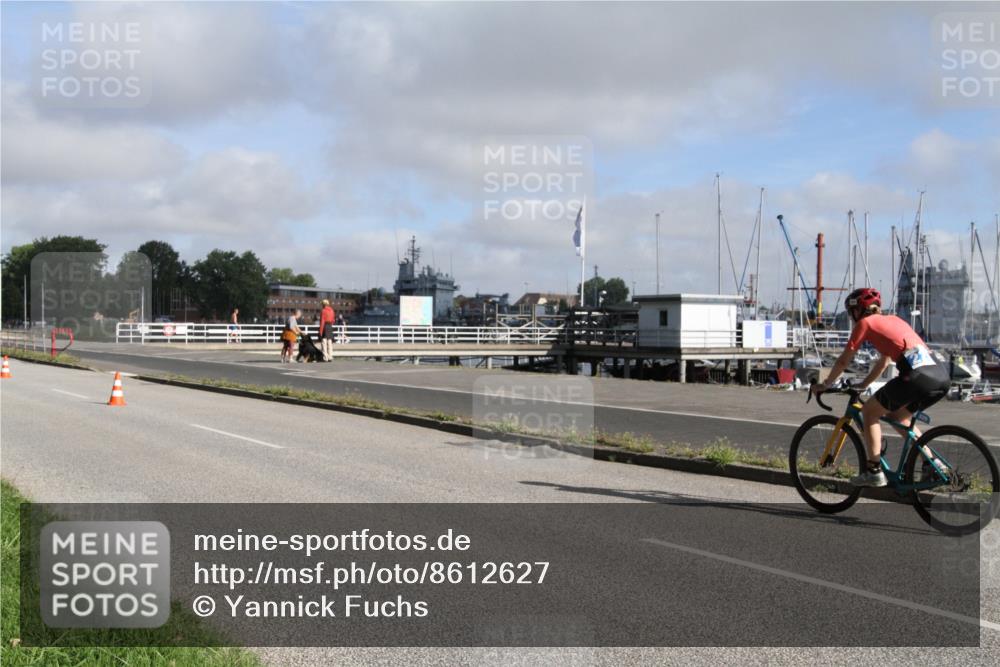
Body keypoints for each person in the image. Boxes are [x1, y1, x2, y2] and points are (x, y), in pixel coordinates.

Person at [810, 287, 951, 487]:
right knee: (899, 417)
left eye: (852, 313)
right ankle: (931, 464)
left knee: (869, 412)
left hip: (916, 375)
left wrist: (825, 385)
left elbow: (843, 362)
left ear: (858, 310)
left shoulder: (865, 323)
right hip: (940, 376)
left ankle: (873, 470)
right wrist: (863, 385)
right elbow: (884, 362)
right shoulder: (894, 320)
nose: (852, 318)